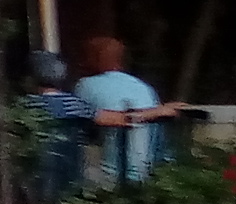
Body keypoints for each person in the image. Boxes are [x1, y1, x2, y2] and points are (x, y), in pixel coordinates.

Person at [72, 35, 184, 185]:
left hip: (106, 175)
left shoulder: (84, 85)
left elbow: (79, 126)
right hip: (143, 173)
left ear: (92, 59)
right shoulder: (143, 87)